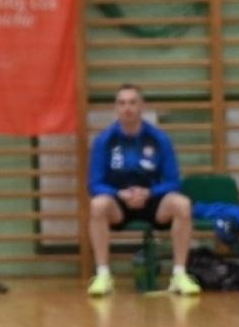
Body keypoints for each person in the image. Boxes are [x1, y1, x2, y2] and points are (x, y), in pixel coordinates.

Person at [85, 84, 200, 297]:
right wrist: (120, 194)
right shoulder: (105, 141)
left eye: (132, 102)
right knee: (97, 205)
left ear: (141, 106)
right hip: (119, 202)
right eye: (122, 103)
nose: (127, 108)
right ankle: (102, 274)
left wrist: (149, 193)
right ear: (116, 108)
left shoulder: (159, 139)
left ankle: (179, 274)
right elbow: (94, 184)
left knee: (182, 204)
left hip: (152, 200)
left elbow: (174, 182)